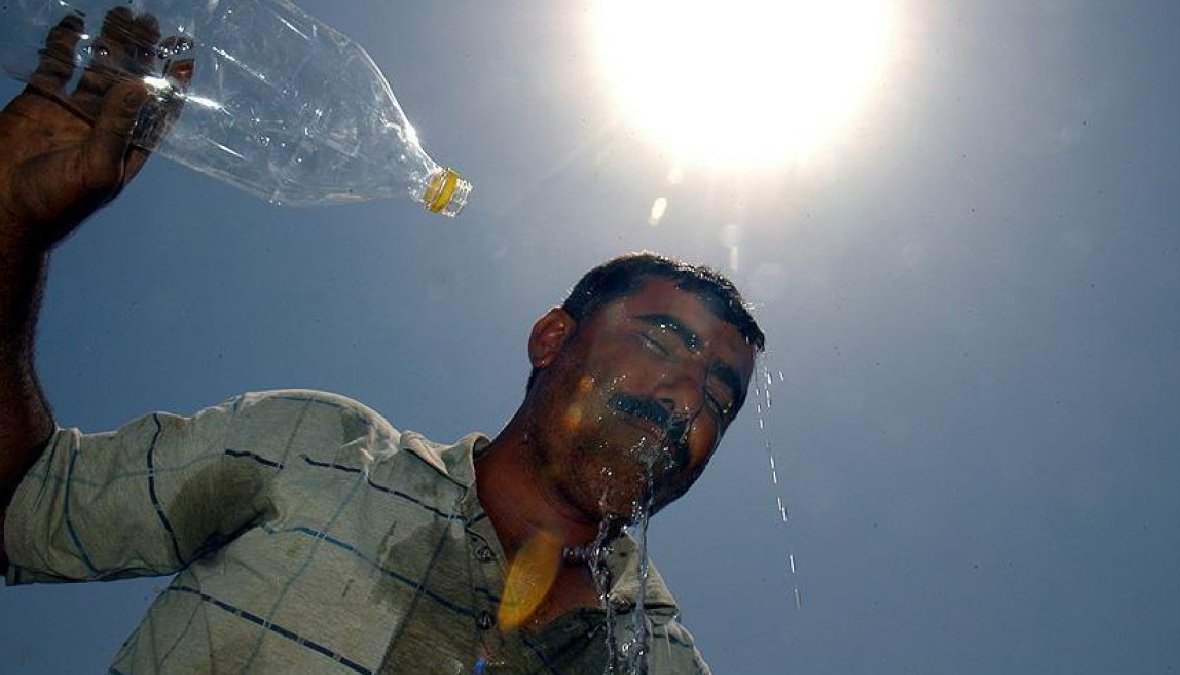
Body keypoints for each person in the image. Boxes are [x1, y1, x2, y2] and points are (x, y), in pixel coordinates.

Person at [0, 10, 765, 675]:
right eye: (663, 342)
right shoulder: (310, 453)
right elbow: (23, 505)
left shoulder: (660, 661)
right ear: (552, 338)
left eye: (720, 398)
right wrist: (8, 224)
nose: (685, 399)